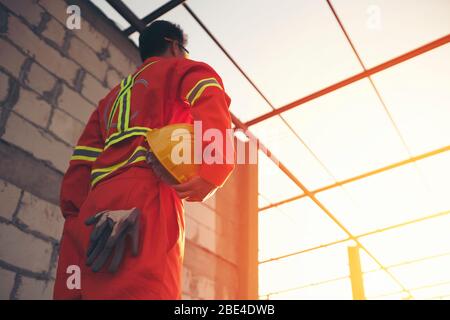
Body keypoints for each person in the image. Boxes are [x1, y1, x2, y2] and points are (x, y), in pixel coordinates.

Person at [53, 20, 235, 299]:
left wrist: (77, 221)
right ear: (174, 45)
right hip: (147, 197)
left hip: (92, 215)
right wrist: (215, 168)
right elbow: (210, 96)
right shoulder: (179, 69)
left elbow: (81, 162)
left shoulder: (108, 101)